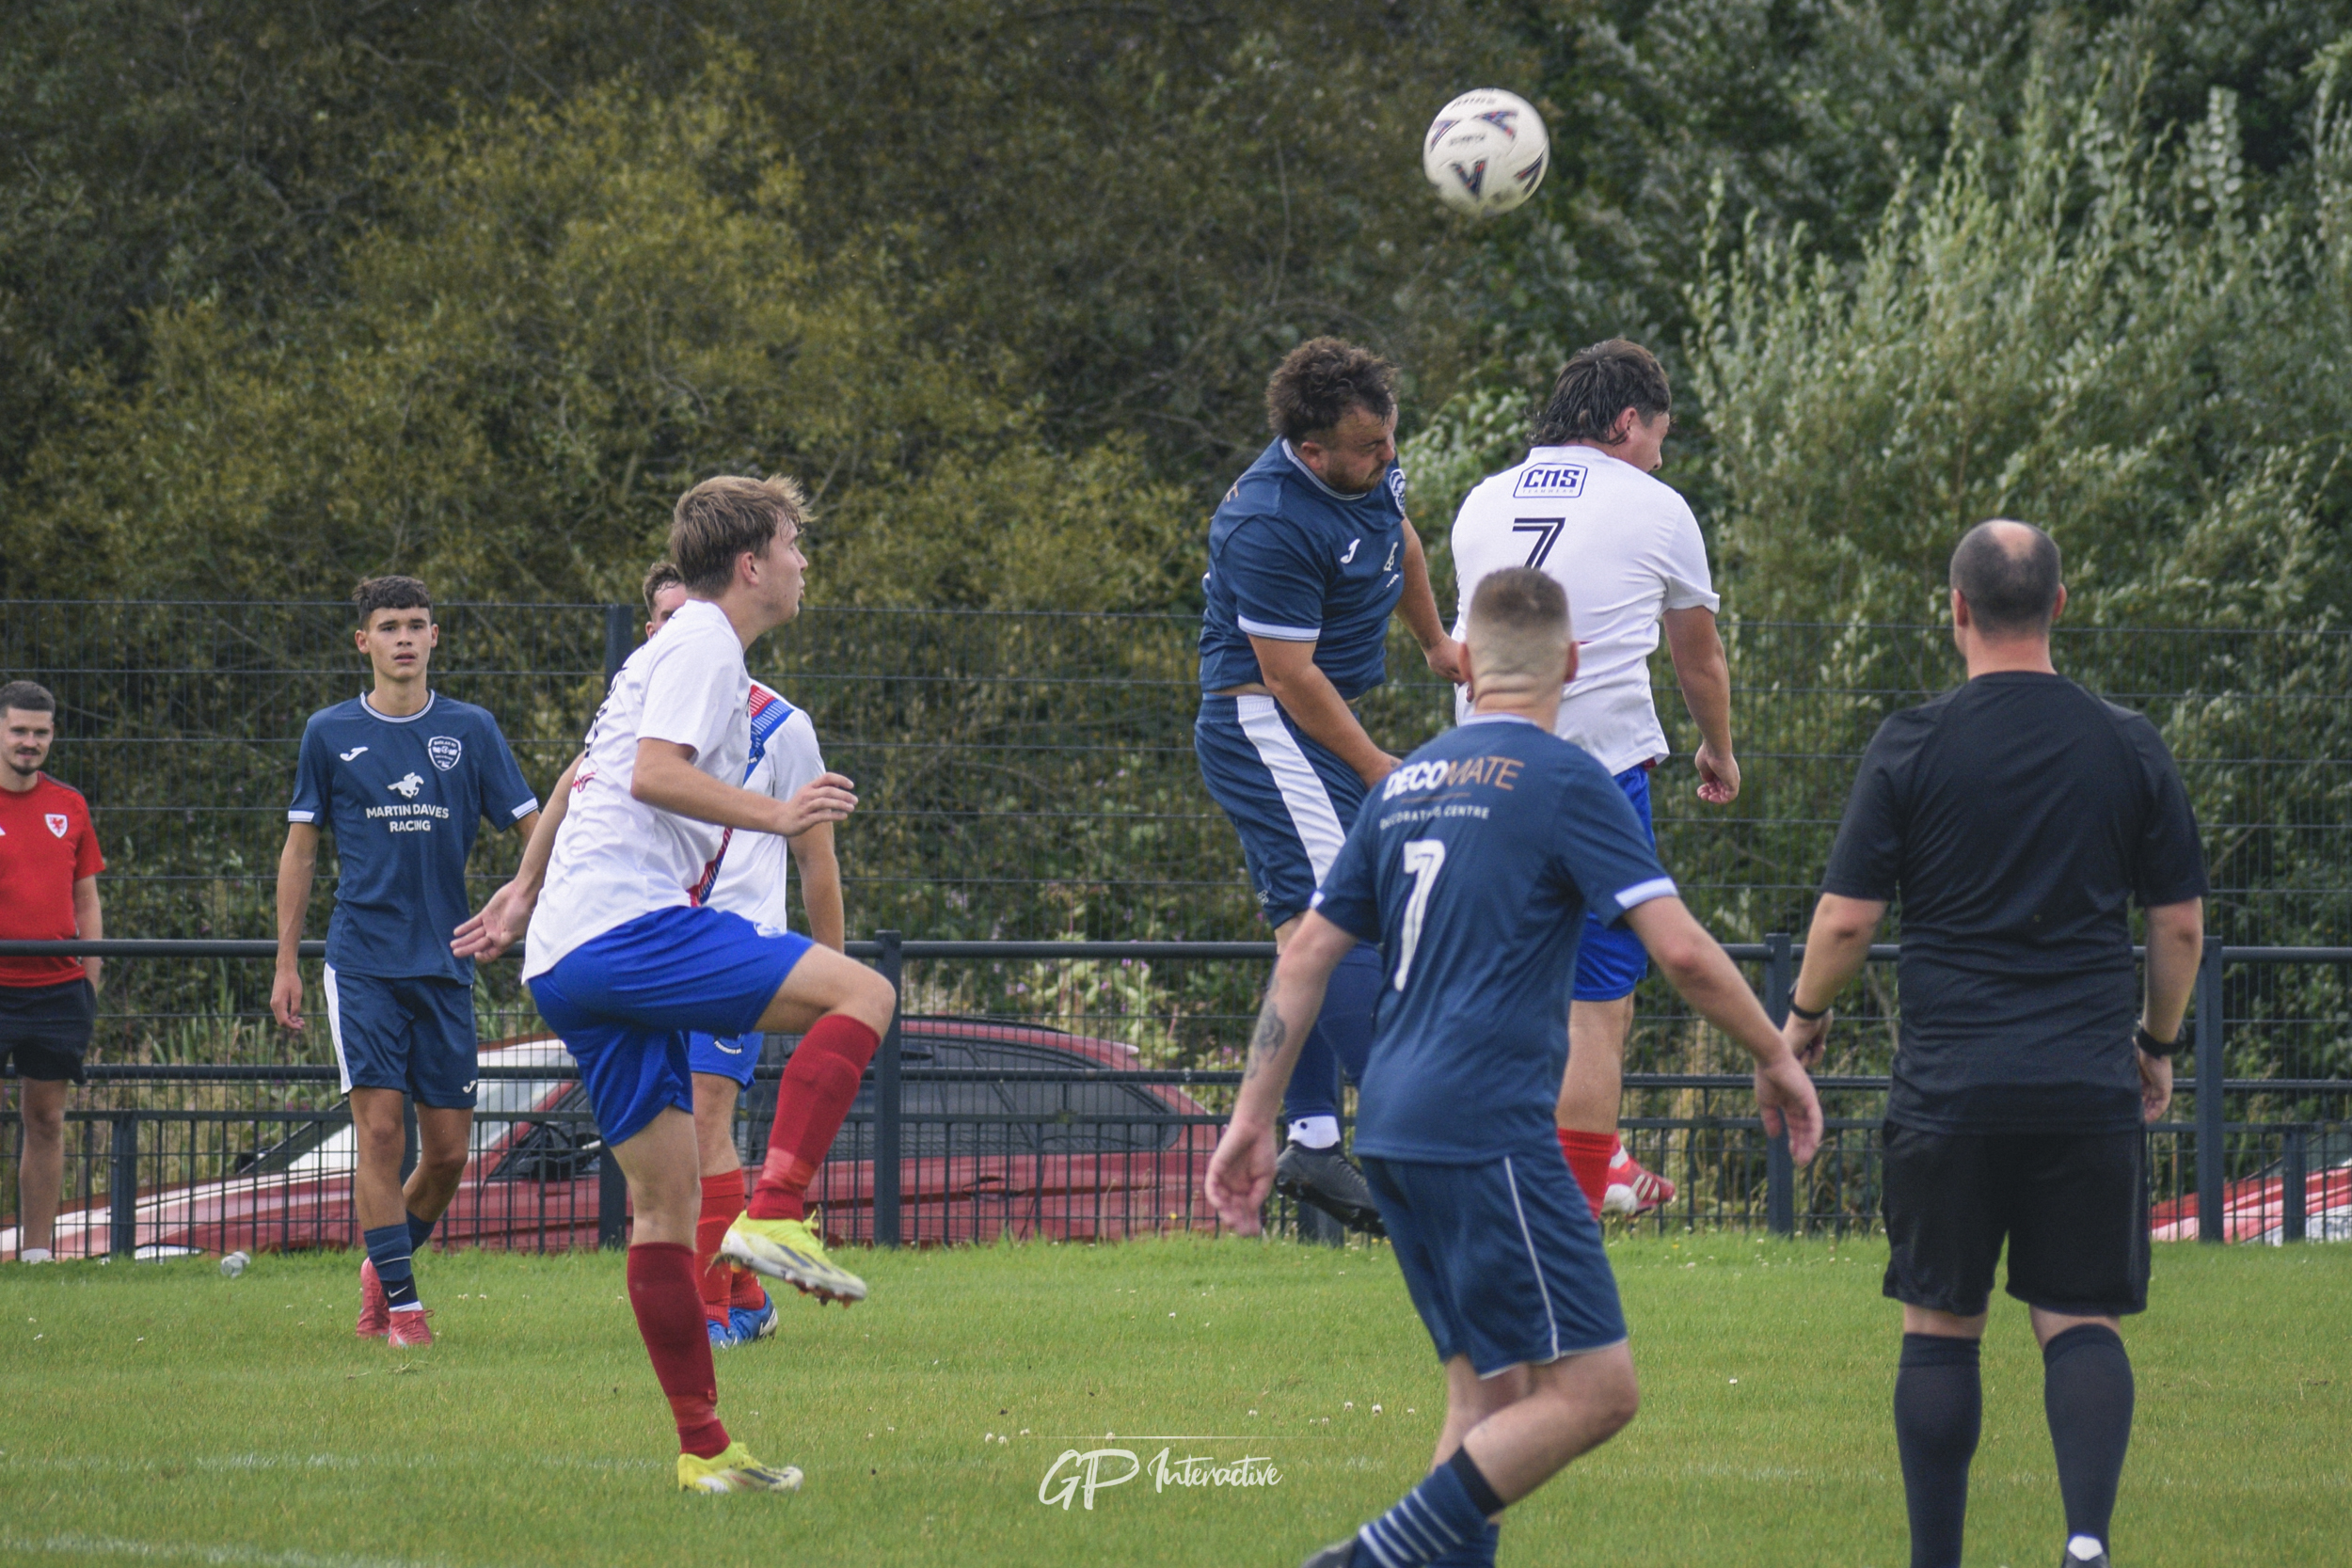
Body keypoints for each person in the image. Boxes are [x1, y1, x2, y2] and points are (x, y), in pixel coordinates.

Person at [1206, 567, 1822, 1568]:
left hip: (1394, 1128)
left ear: (1464, 663)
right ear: (1572, 665)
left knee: (1484, 1396)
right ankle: (1364, 1557)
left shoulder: (1402, 783)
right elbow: (1681, 951)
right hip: (1486, 1126)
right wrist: (1776, 1053)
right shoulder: (1565, 777)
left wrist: (1251, 1118)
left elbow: (1307, 953)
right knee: (1596, 1388)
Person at [454, 474, 894, 1494]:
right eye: (792, 545)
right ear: (750, 563)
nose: (801, 562)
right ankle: (778, 1210)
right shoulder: (702, 640)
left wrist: (525, 893)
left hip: (570, 958)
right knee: (863, 995)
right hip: (626, 929)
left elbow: (595, 773)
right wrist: (776, 814)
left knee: (663, 1202)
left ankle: (704, 1452)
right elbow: (652, 772)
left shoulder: (671, 648)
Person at [1779, 521, 2206, 1568]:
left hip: (1949, 1087)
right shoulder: (2127, 741)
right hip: (2081, 1082)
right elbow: (2178, 924)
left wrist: (1801, 1023)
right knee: (2079, 1317)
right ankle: (2086, 1542)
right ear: (2059, 605)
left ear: (1956, 609)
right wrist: (2155, 1042)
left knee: (1940, 1325)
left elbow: (1844, 921)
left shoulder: (1913, 741)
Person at [1447, 338, 1737, 1219]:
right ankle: (1570, 1204)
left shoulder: (1481, 500)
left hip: (1481, 769)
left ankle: (1522, 1177)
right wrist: (1718, 748)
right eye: (1658, 433)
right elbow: (1699, 656)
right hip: (1596, 771)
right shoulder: (1655, 506)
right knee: (1597, 998)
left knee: (1499, 987)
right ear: (1624, 421)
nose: (1660, 451)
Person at [523, 561, 846, 1350]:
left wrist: (832, 971)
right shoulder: (641, 711)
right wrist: (524, 884)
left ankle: (716, 1307)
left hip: (731, 943)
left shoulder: (780, 725)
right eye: (663, 620)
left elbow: (817, 861)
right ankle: (739, 1293)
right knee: (667, 1166)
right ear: (651, 634)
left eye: (687, 616)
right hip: (641, 938)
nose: (677, 631)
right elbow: (577, 783)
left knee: (705, 1123)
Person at [1194, 337, 1464, 1236]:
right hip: (1268, 724)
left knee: (1316, 929)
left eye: (1390, 440)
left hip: (1312, 724)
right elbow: (1288, 676)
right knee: (1338, 923)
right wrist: (1376, 764)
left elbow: (1401, 541)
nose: (1388, 458)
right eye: (1368, 449)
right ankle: (1422, 1141)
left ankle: (1312, 1136)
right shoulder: (1267, 520)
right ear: (1312, 452)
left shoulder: (1365, 465)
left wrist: (1435, 643)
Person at [273, 578, 541, 1346]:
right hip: (361, 961)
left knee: (452, 1150)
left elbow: (536, 833)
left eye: (416, 625)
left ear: (434, 637)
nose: (403, 638)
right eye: (387, 626)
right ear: (363, 641)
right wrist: (286, 962)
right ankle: (405, 1306)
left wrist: (526, 904)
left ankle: (380, 1263)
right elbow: (300, 849)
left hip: (446, 960)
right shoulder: (329, 732)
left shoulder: (472, 728)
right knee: (381, 1134)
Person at [0, 682, 104, 1264]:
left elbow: (86, 897)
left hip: (57, 992)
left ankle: (36, 1256)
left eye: (40, 732)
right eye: (18, 730)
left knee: (46, 1120)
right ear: (0, 731)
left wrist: (89, 978)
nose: (29, 742)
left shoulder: (71, 805)